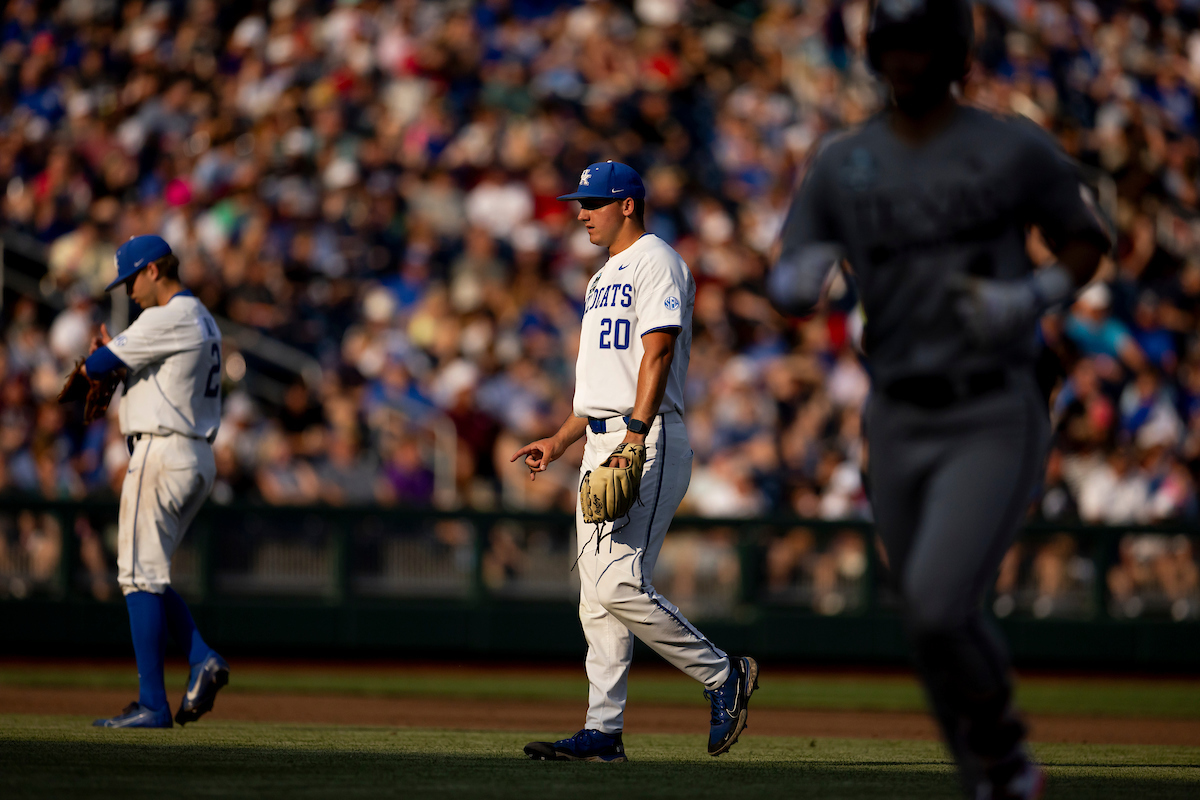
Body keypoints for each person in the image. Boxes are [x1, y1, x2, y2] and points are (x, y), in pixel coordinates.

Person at [767, 2, 1110, 798]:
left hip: (990, 400)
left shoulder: (1009, 144)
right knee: (927, 625)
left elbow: (1087, 237)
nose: (907, 61)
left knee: (934, 604)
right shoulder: (842, 161)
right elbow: (793, 273)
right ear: (873, 52)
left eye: (921, 45)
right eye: (895, 45)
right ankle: (987, 781)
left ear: (953, 51)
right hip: (894, 408)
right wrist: (794, 279)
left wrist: (1034, 295)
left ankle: (1008, 755)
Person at [512, 161, 758, 762]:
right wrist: (561, 440)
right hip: (602, 436)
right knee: (596, 600)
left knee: (617, 583)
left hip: (646, 435)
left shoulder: (658, 260)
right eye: (581, 202)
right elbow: (601, 384)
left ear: (627, 205)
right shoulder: (601, 277)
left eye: (593, 203)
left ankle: (721, 672)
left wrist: (635, 434)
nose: (581, 213)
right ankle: (603, 733)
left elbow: (659, 351)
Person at [85, 235, 229, 728]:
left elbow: (94, 367)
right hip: (194, 454)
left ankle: (152, 703)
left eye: (130, 280)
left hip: (163, 450)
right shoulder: (201, 316)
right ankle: (201, 658)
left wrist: (101, 356)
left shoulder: (167, 316)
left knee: (136, 576)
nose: (128, 291)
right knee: (146, 573)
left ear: (152, 271)